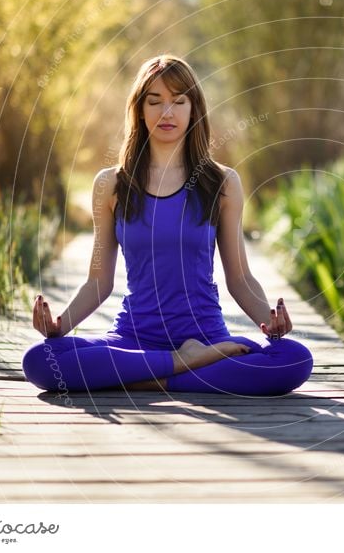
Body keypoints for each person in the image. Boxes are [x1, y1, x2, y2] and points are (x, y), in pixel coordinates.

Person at [21, 53, 313, 396]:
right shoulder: (111, 185)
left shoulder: (221, 183)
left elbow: (240, 278)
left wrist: (271, 324)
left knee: (294, 359)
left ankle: (145, 376)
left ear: (194, 109)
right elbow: (98, 282)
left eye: (179, 101)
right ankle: (182, 365)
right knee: (40, 360)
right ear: (140, 111)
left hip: (207, 336)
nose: (167, 113)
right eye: (155, 102)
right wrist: (60, 326)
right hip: (134, 338)